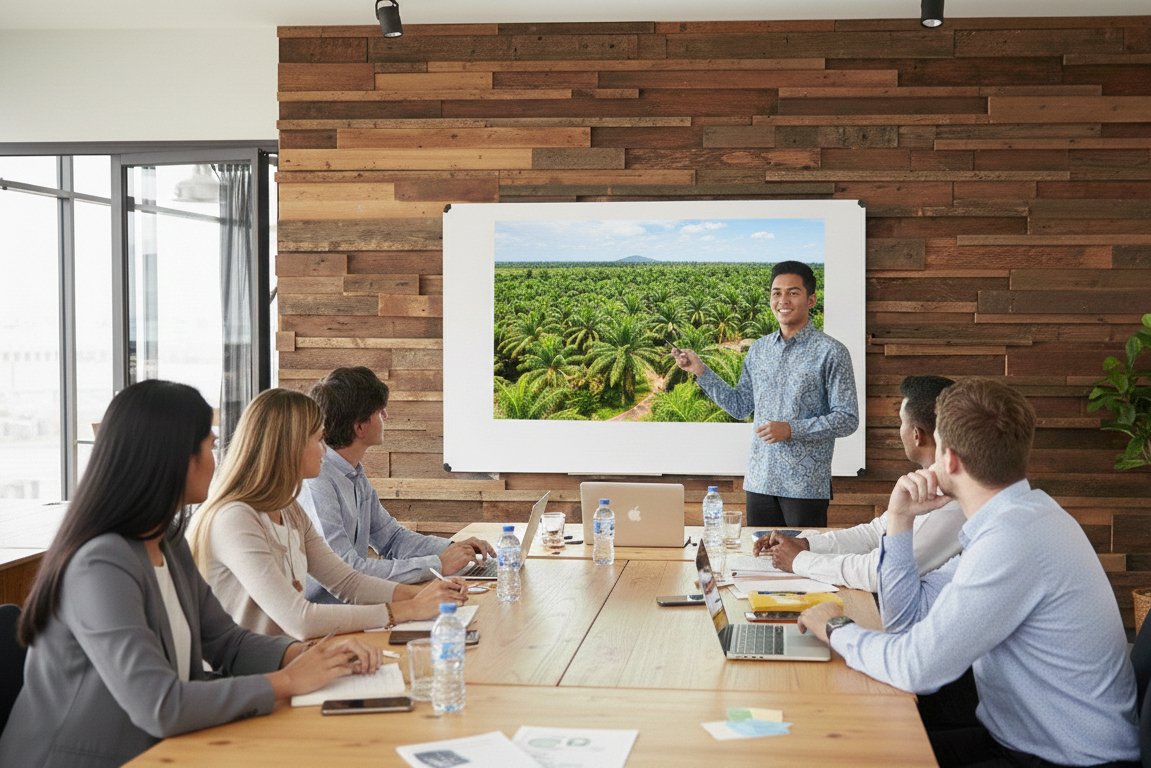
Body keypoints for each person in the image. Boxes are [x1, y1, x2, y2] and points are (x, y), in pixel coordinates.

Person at [0, 381, 385, 768]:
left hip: (161, 749)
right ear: (176, 457)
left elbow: (225, 641)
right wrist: (288, 681)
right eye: (210, 445)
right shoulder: (99, 565)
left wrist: (303, 655)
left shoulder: (166, 541)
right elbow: (160, 704)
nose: (217, 461)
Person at [796, 378, 1139, 768]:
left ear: (950, 459)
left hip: (1064, 761)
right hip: (1018, 742)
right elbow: (905, 623)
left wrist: (834, 626)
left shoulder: (1012, 540)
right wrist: (900, 521)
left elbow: (914, 669)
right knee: (860, 746)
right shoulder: (1019, 519)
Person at [188, 388, 466, 641]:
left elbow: (348, 582)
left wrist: (426, 596)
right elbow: (300, 620)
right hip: (248, 673)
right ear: (290, 445)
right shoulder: (235, 519)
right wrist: (408, 609)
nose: (325, 449)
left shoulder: (289, 509)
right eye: (320, 439)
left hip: (287, 657)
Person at [671, 260, 858, 527]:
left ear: (811, 300)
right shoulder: (759, 350)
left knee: (801, 554)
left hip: (804, 487)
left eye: (793, 292)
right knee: (757, 552)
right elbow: (740, 406)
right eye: (776, 293)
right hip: (759, 482)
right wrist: (700, 370)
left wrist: (791, 429)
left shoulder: (832, 352)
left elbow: (847, 418)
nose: (783, 300)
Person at [753, 375, 964, 592]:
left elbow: (877, 573)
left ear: (917, 435)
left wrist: (799, 560)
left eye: (901, 422)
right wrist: (807, 545)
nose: (899, 430)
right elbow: (875, 533)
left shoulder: (950, 500)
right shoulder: (928, 481)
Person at [300, 367, 495, 601]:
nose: (386, 416)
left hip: (357, 605)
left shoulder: (354, 473)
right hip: (331, 613)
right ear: (360, 427)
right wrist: (437, 564)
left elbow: (392, 538)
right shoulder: (317, 481)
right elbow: (347, 570)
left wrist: (453, 549)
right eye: (380, 411)